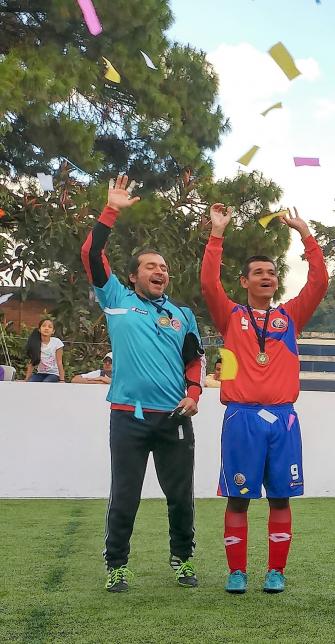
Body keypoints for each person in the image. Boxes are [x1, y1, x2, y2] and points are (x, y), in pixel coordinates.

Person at [81, 175, 205, 592]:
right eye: (151, 266)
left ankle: (183, 559)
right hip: (128, 417)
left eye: (165, 268)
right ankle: (117, 565)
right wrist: (111, 209)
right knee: (125, 497)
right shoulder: (116, 300)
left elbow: (194, 360)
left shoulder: (183, 315)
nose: (160, 271)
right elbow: (92, 253)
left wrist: (192, 396)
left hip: (173, 418)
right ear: (132, 277)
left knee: (181, 498)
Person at [202, 202, 329, 595]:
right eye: (258, 272)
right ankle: (236, 572)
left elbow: (319, 282)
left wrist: (306, 235)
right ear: (245, 281)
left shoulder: (290, 317)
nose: (266, 277)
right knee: (239, 499)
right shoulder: (231, 316)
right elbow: (209, 284)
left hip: (284, 419)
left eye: (272, 273)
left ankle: (276, 571)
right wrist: (217, 234)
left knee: (280, 498)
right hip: (241, 418)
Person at [24, 317, 64, 382]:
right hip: (40, 373)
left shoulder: (57, 342)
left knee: (46, 383)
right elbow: (32, 362)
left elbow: (59, 362)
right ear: (39, 329)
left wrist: (62, 379)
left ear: (53, 331)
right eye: (44, 326)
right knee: (31, 383)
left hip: (53, 374)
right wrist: (26, 380)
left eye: (50, 327)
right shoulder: (35, 343)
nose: (46, 328)